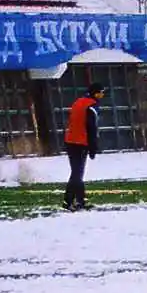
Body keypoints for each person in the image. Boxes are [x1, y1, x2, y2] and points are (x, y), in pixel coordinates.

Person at [62, 82, 103, 211]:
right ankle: (68, 201)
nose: (103, 95)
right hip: (81, 142)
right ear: (96, 93)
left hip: (70, 140)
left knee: (76, 172)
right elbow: (91, 127)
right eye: (101, 92)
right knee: (77, 173)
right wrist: (93, 147)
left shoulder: (78, 102)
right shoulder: (91, 106)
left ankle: (80, 200)